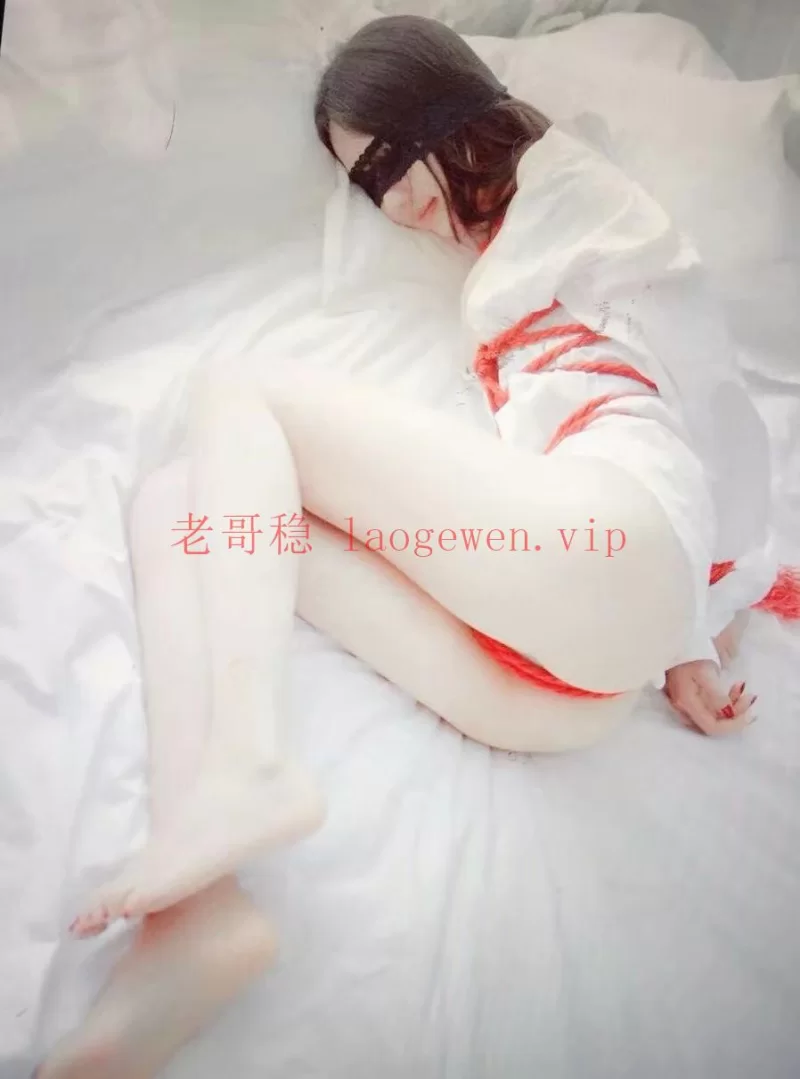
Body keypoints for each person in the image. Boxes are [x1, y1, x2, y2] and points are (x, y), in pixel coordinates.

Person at [39, 13, 785, 1079]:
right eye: (364, 184)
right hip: (553, 695)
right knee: (182, 505)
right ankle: (199, 918)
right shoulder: (495, 264)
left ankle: (248, 768)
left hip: (616, 543)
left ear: (448, 106)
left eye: (390, 158)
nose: (390, 201)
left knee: (237, 385)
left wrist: (694, 630)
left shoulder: (579, 192)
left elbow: (711, 406)